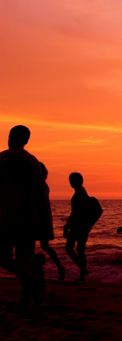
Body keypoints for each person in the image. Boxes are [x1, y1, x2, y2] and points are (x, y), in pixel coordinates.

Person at [0, 125, 51, 308]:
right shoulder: (32, 161)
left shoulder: (4, 158)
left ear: (12, 137)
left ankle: (31, 282)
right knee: (24, 260)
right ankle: (29, 298)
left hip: (8, 218)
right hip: (30, 220)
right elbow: (42, 197)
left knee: (4, 258)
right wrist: (44, 227)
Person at [38, 162, 65, 281]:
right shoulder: (43, 185)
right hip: (43, 219)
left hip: (40, 219)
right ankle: (59, 267)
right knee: (45, 246)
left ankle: (59, 267)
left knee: (43, 245)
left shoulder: (40, 186)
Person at [63, 172, 92, 281]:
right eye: (70, 180)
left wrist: (68, 225)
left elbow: (78, 212)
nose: (70, 182)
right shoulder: (80, 192)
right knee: (77, 248)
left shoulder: (80, 193)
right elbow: (75, 212)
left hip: (79, 226)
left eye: (72, 180)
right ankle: (83, 271)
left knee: (74, 248)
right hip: (80, 225)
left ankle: (83, 271)